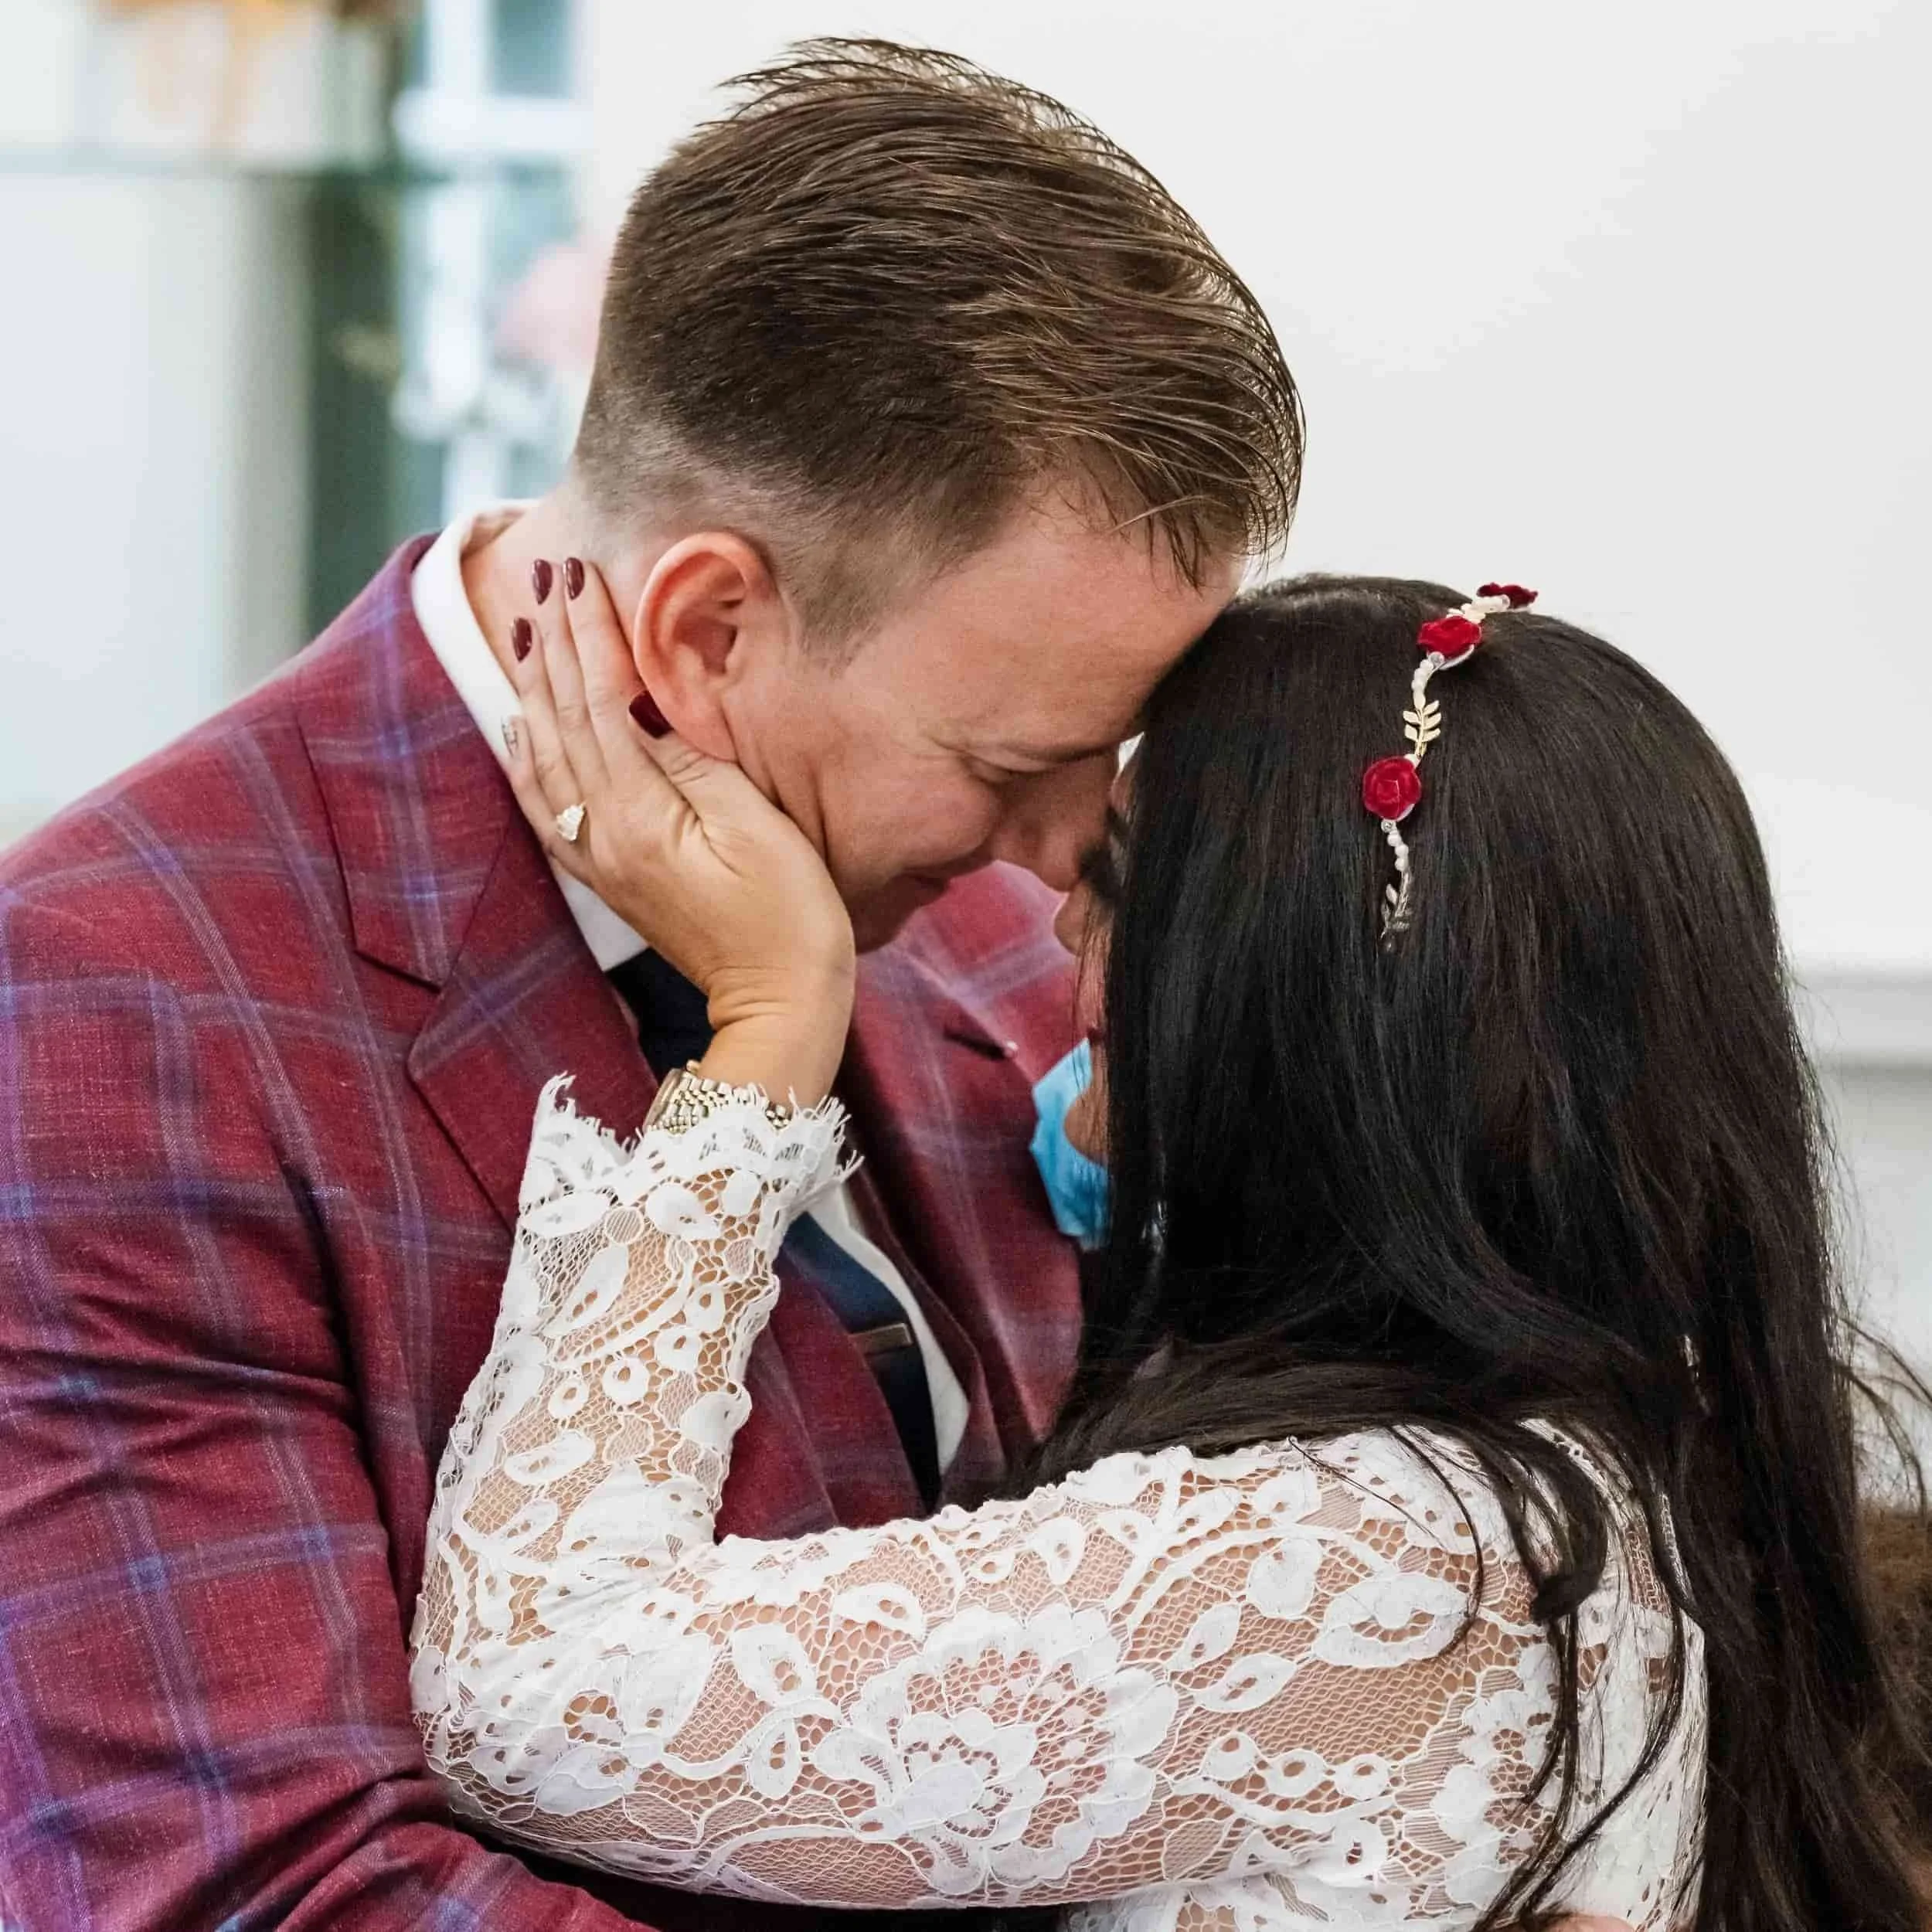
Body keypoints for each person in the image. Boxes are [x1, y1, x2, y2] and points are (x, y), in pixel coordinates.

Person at [0, 43, 1301, 1930]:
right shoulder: (111, 1008)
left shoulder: (995, 922)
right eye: (1013, 758)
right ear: (705, 624)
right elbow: (257, 1882)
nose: (1064, 850)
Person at [404, 566, 1928, 1931]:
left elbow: (533, 1689)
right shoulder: (1609, 1438)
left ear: (1281, 994)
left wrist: (766, 1025)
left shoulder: (1354, 1563)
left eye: (1124, 880)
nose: (1056, 914)